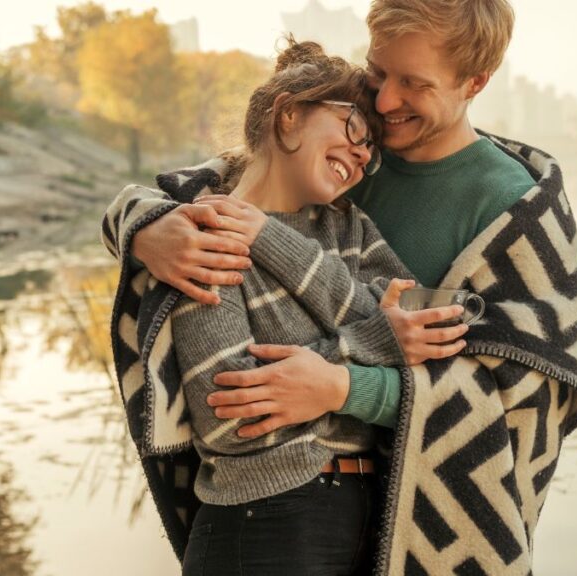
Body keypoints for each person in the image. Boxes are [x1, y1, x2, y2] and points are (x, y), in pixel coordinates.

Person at [102, 0, 577, 574]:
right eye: (378, 72)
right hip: (288, 515)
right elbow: (207, 193)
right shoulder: (338, 159)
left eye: (412, 83)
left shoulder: (518, 210)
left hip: (407, 526)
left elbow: (517, 399)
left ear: (475, 82)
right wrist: (140, 227)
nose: (383, 103)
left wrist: (342, 386)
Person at [170, 39, 461, 575]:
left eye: (370, 145)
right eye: (354, 129)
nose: (363, 152)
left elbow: (417, 324)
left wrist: (272, 243)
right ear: (288, 117)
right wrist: (368, 345)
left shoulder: (351, 229)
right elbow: (226, 416)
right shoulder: (206, 232)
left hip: (372, 521)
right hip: (262, 529)